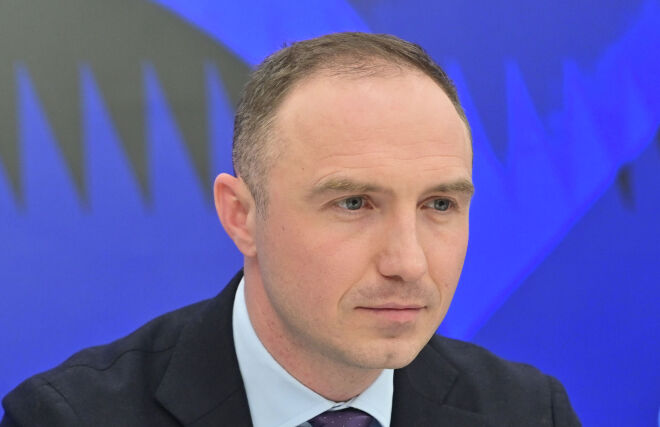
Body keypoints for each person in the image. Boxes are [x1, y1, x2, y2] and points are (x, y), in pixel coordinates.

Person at [1, 32, 580, 426]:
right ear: (241, 215)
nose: (408, 263)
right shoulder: (69, 417)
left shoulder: (529, 412)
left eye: (439, 204)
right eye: (354, 203)